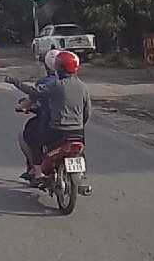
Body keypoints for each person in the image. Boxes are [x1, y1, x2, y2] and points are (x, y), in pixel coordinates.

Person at [5, 51, 91, 190]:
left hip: (57, 131)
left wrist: (15, 82)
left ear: (59, 67)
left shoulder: (57, 85)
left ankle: (38, 173)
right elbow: (87, 113)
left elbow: (34, 92)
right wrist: (78, 125)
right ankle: (80, 175)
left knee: (35, 140)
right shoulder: (83, 87)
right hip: (78, 132)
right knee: (79, 151)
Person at [16, 49, 64, 180]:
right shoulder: (76, 84)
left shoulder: (45, 83)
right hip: (74, 128)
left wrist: (23, 105)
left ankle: (36, 170)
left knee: (30, 136)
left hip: (50, 125)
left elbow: (34, 96)